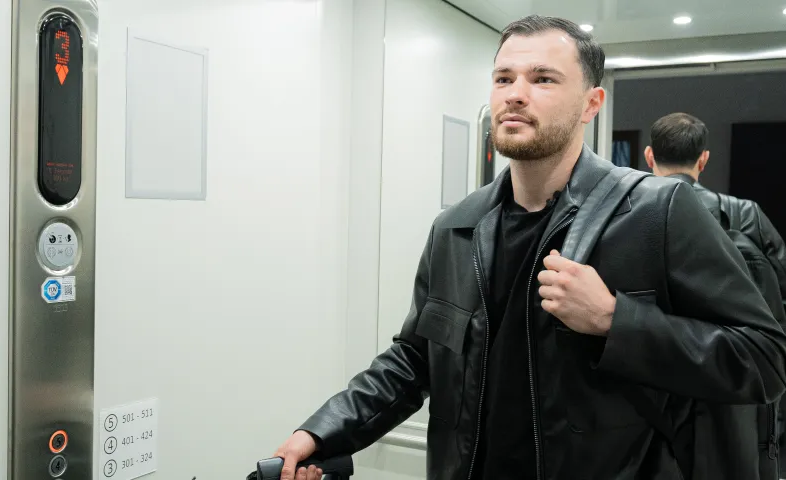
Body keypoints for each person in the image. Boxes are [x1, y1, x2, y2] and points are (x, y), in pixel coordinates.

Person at [274, 15, 786, 480]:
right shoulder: (457, 227)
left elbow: (763, 359)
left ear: (591, 103)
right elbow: (415, 360)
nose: (515, 94)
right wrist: (322, 431)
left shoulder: (658, 211)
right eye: (504, 78)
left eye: (542, 79)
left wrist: (616, 320)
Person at [644, 112, 786, 316]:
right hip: (732, 342)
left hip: (654, 340)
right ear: (703, 159)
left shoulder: (627, 212)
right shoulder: (744, 213)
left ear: (649, 156)